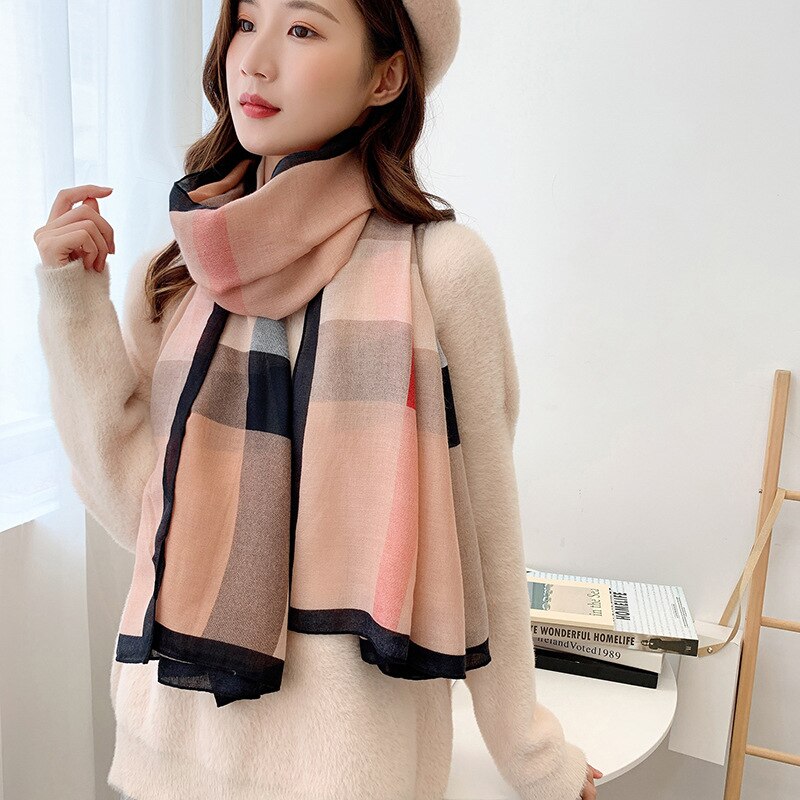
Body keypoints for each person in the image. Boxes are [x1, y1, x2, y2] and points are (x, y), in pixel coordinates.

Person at [32, 0, 602, 798]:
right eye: (246, 22)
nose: (254, 60)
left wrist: (531, 756)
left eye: (301, 29)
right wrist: (72, 305)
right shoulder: (176, 272)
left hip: (348, 772)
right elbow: (141, 514)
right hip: (170, 755)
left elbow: (485, 532)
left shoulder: (442, 271)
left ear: (386, 76)